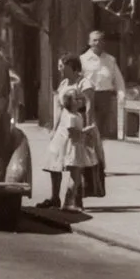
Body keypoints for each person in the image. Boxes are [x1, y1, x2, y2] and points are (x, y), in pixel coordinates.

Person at [79, 29, 126, 200]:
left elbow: (118, 79)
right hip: (88, 97)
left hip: (105, 97)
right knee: (91, 132)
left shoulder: (110, 60)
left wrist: (121, 94)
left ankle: (97, 164)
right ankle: (93, 166)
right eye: (94, 40)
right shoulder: (83, 60)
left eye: (100, 40)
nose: (98, 43)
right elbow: (79, 80)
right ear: (89, 42)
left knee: (101, 134)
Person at [43, 56, 94, 211]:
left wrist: (88, 126)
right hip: (62, 128)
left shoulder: (84, 83)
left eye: (61, 66)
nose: (59, 69)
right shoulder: (63, 84)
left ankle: (74, 201)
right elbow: (59, 108)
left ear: (71, 66)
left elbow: (89, 106)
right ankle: (55, 197)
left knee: (75, 163)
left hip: (77, 126)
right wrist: (54, 128)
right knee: (55, 162)